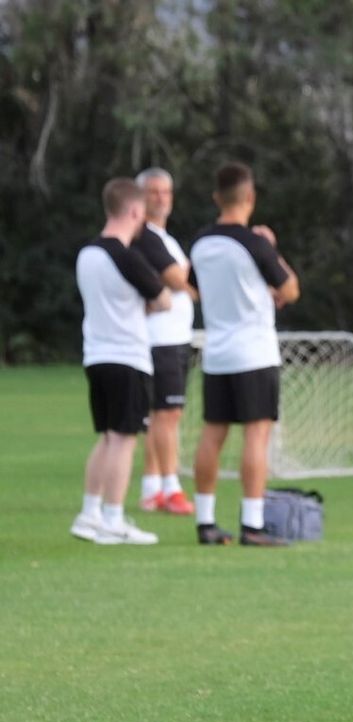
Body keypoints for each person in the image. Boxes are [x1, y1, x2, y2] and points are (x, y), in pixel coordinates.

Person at [190, 162, 301, 547]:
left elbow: (195, 287)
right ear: (250, 197)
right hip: (253, 352)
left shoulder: (201, 243)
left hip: (217, 352)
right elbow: (289, 290)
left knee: (212, 435)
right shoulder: (254, 243)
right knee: (256, 435)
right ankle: (251, 524)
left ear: (217, 198)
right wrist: (272, 248)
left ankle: (205, 521)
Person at [71, 178, 174, 545]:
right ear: (134, 211)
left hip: (95, 355)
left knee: (108, 438)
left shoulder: (87, 254)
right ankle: (113, 518)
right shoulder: (126, 256)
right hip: (127, 356)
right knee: (125, 439)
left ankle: (89, 512)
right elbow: (164, 299)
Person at [132, 167, 199, 515]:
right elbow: (177, 279)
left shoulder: (165, 238)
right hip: (159, 340)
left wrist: (186, 283)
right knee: (166, 415)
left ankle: (152, 488)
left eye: (166, 192)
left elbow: (184, 280)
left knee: (164, 416)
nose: (161, 198)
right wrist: (187, 284)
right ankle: (171, 487)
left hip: (176, 338)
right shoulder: (145, 235)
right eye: (154, 192)